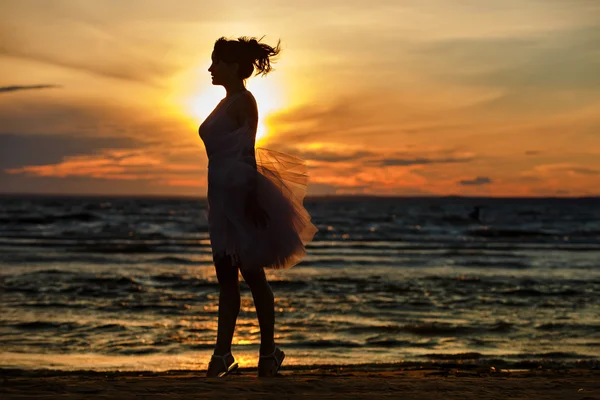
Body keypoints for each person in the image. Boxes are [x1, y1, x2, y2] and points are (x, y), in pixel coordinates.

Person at [198, 36, 317, 378]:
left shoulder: (245, 101)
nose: (210, 68)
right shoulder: (225, 102)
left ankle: (266, 353)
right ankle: (224, 354)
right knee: (226, 277)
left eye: (216, 61)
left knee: (252, 275)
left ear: (234, 66)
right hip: (219, 198)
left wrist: (250, 199)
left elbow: (248, 153)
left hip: (238, 194)